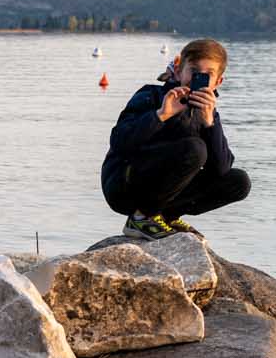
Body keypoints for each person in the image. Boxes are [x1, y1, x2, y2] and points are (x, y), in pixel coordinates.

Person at [100, 37, 250, 239]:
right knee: (195, 149)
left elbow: (221, 168)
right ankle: (142, 217)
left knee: (239, 181)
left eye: (207, 75)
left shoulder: (208, 113)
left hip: (163, 192)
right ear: (179, 71)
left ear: (218, 82)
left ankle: (166, 215)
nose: (198, 78)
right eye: (194, 71)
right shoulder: (150, 95)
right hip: (124, 184)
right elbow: (119, 143)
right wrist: (160, 115)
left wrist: (209, 123)